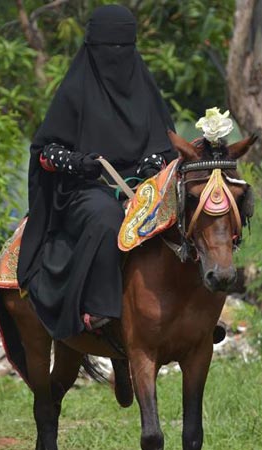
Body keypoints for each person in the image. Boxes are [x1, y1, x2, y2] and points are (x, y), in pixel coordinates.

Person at [16, 4, 177, 340]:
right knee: (106, 217)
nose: (116, 56)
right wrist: (79, 163)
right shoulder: (76, 90)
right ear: (93, 49)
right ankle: (100, 309)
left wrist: (154, 163)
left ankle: (194, 313)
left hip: (144, 185)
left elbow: (167, 145)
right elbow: (46, 152)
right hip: (85, 189)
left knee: (186, 213)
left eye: (123, 48)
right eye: (108, 49)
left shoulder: (145, 89)